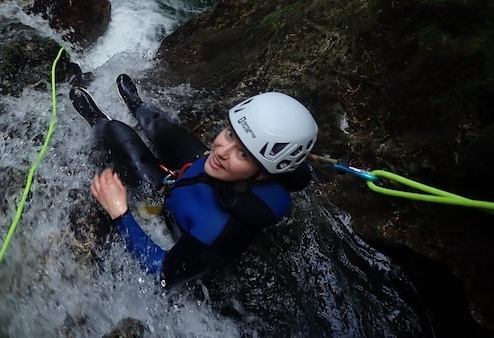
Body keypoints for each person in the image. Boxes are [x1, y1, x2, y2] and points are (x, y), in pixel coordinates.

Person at [69, 75, 318, 288]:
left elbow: (163, 274)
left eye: (243, 153)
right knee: (164, 129)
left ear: (262, 173)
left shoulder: (218, 229)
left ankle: (98, 122)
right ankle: (138, 106)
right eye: (230, 133)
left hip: (165, 205)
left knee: (117, 132)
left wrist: (120, 212)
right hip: (199, 176)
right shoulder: (278, 167)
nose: (221, 149)